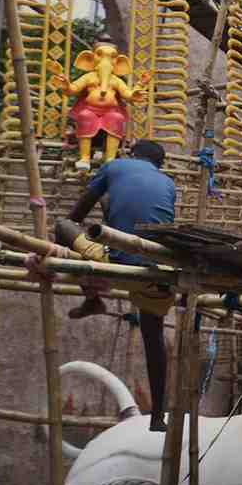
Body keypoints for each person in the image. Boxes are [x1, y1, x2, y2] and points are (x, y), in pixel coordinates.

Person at [62, 139, 176, 432]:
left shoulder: (115, 166)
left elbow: (76, 215)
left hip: (114, 264)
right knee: (153, 337)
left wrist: (101, 212)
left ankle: (92, 296)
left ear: (132, 154)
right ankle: (158, 416)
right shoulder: (168, 183)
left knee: (62, 227)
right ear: (159, 164)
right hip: (155, 272)